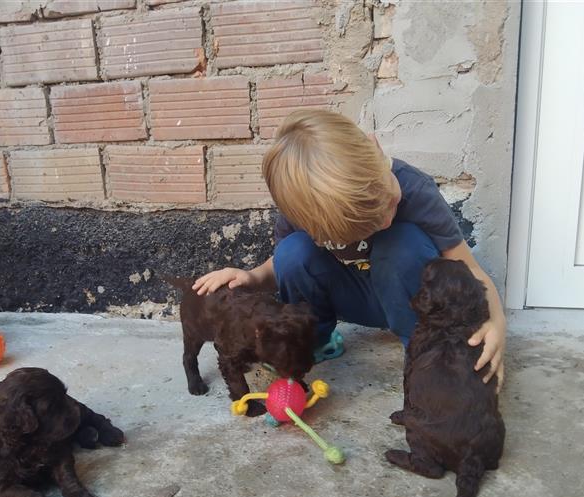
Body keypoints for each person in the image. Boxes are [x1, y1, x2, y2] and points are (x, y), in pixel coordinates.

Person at [193, 109, 506, 390]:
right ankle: (313, 341)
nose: (386, 219)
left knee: (399, 242)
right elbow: (280, 267)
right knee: (292, 252)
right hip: (352, 296)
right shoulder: (302, 212)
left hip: (411, 298)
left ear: (375, 146)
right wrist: (250, 277)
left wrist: (494, 322)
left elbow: (470, 269)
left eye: (391, 202)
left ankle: (425, 352)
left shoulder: (416, 189)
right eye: (371, 224)